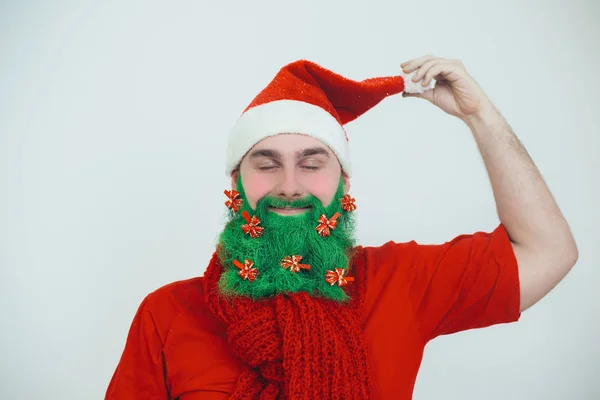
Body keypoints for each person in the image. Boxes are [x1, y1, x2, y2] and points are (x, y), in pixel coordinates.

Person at [105, 55, 578, 399]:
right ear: (236, 181)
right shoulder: (167, 314)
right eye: (266, 164)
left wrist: (480, 116)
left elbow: (549, 250)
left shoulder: (400, 282)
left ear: (343, 181)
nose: (289, 186)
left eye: (312, 164)